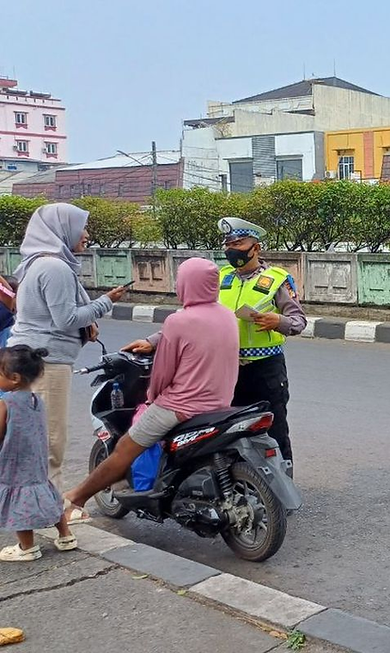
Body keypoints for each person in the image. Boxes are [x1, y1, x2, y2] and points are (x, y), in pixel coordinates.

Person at [127, 218, 306, 469]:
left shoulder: (276, 280)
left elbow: (299, 321)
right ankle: (237, 481)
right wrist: (153, 341)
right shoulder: (219, 277)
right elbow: (192, 318)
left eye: (239, 243)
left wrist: (278, 321)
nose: (232, 249)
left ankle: (282, 479)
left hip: (265, 369)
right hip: (223, 370)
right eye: (228, 244)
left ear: (256, 248)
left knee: (273, 426)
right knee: (224, 428)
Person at [64, 258, 239, 515]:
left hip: (180, 405)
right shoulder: (227, 315)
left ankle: (76, 498)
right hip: (220, 402)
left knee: (125, 447)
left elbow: (162, 373)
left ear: (186, 284)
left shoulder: (178, 322)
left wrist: (152, 398)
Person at [6, 203, 128, 517]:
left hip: (34, 357)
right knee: (51, 438)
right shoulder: (55, 267)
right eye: (81, 227)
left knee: (38, 436)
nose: (86, 235)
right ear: (63, 229)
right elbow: (65, 318)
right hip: (45, 363)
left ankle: (42, 507)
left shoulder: (40, 263)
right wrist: (105, 303)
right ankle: (52, 511)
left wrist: (85, 325)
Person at [0, 345, 77, 562]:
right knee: (49, 497)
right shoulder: (36, 400)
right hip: (36, 462)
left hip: (15, 465)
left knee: (20, 505)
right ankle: (65, 536)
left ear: (14, 378)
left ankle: (27, 547)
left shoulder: (6, 403)